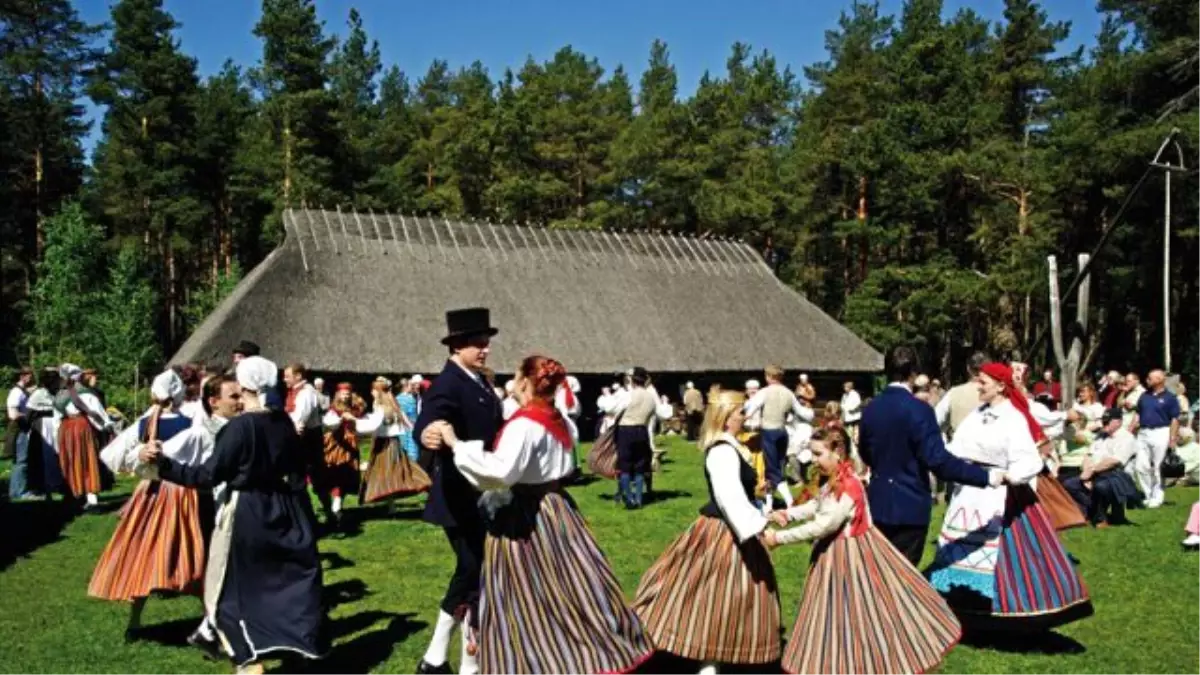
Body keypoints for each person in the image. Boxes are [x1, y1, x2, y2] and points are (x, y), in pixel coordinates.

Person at [431, 355, 652, 673]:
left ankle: (538, 657)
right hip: (557, 509)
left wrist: (455, 444)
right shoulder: (559, 417)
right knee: (570, 585)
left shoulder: (524, 423)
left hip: (528, 514)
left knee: (519, 590)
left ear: (524, 382)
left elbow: (499, 472)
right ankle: (578, 645)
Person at [143, 356, 327, 673]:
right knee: (277, 583)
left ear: (243, 386)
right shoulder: (282, 421)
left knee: (230, 587)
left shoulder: (241, 428)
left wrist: (164, 466)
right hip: (282, 507)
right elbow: (298, 471)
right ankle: (256, 641)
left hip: (247, 510)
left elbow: (208, 475)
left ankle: (246, 659)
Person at [764, 427, 960, 675]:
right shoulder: (835, 478)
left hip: (850, 555)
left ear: (838, 451)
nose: (813, 460)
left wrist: (778, 538)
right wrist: (788, 514)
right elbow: (818, 505)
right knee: (839, 612)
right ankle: (839, 659)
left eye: (817, 454)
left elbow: (825, 524)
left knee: (856, 609)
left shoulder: (848, 484)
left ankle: (861, 661)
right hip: (838, 551)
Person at [927, 362, 1093, 631]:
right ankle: (959, 611)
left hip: (997, 496)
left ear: (1001, 386)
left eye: (983, 382)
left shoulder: (1013, 418)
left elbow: (1029, 459)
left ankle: (1001, 613)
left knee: (997, 557)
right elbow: (958, 447)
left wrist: (1011, 476)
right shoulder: (976, 415)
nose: (978, 386)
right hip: (967, 493)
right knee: (957, 552)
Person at [633, 390, 781, 672]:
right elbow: (729, 498)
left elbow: (741, 494)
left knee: (728, 600)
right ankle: (708, 662)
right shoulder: (722, 451)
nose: (745, 416)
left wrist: (765, 509)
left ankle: (715, 658)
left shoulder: (731, 446)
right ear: (726, 417)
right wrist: (759, 527)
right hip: (724, 534)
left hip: (736, 529)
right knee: (714, 598)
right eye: (740, 412)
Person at [413, 308, 503, 675]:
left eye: (486, 343)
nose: (485, 350)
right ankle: (436, 659)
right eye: (478, 344)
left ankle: (464, 660)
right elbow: (430, 420)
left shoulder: (477, 380)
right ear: (458, 346)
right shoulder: (449, 383)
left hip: (479, 492)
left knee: (477, 574)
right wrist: (427, 434)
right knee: (470, 570)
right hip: (458, 496)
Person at [858, 346, 1001, 566]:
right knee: (903, 578)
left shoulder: (871, 409)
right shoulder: (919, 410)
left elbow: (865, 453)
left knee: (878, 575)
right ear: (914, 374)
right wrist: (986, 477)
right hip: (910, 506)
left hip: (877, 503)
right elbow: (938, 461)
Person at [90, 370, 204, 642]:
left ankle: (135, 622)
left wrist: (137, 458)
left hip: (150, 494)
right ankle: (211, 622)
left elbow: (110, 455)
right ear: (177, 395)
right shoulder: (190, 423)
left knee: (142, 556)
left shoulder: (144, 423)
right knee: (196, 556)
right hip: (182, 494)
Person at [743, 365, 814, 510]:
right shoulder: (789, 393)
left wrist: (742, 418)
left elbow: (750, 409)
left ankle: (790, 502)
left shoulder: (764, 392)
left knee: (773, 470)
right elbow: (804, 413)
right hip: (783, 433)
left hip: (769, 433)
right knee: (774, 470)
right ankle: (769, 505)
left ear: (768, 377)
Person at [1061, 408, 1139, 527]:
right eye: (1104, 421)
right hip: (1096, 473)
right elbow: (1089, 455)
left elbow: (1114, 461)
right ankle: (1090, 511)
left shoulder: (1127, 438)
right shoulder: (1100, 436)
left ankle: (1101, 518)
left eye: (1108, 421)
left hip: (1118, 476)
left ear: (1119, 422)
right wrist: (1086, 474)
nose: (1104, 424)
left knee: (1101, 486)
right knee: (1070, 484)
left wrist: (1091, 472)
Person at [360, 377, 430, 504]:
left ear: (379, 391)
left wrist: (355, 423)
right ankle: (391, 502)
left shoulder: (380, 405)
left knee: (387, 471)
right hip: (393, 441)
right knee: (394, 470)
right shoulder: (392, 404)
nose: (371, 392)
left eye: (374, 390)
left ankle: (420, 484)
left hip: (384, 443)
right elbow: (405, 420)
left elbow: (373, 424)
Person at [54, 363, 113, 510]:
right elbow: (98, 414)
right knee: (87, 460)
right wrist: (107, 426)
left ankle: (74, 495)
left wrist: (58, 435)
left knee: (70, 460)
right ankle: (91, 500)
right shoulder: (86, 394)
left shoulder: (60, 395)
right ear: (78, 376)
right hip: (82, 428)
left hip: (65, 429)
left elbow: (56, 418)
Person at [603, 367, 659, 509]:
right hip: (642, 430)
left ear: (632, 380)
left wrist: (610, 397)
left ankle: (628, 497)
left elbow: (609, 408)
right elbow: (664, 414)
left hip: (626, 430)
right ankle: (639, 499)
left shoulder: (628, 395)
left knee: (625, 465)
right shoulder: (652, 396)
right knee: (640, 466)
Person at [1131, 369, 1181, 508]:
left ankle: (1157, 496)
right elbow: (1138, 414)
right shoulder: (1144, 396)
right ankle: (1147, 494)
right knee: (1140, 466)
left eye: (1150, 378)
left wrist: (1172, 438)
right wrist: (1131, 428)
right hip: (1143, 432)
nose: (1147, 380)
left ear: (1159, 380)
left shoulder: (1170, 398)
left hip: (1161, 432)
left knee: (1159, 466)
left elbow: (1175, 419)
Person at [318, 383, 366, 526]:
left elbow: (362, 417)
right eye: (343, 393)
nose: (345, 396)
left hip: (350, 443)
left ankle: (337, 504)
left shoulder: (356, 408)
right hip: (336, 443)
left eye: (348, 393)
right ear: (337, 395)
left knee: (347, 474)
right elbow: (330, 423)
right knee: (334, 471)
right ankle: (333, 503)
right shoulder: (334, 409)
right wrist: (343, 418)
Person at [6, 367, 34, 499]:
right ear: (22, 376)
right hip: (18, 428)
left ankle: (15, 491)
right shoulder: (16, 392)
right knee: (21, 461)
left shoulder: (22, 391)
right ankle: (21, 492)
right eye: (29, 375)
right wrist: (29, 416)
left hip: (22, 428)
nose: (31, 378)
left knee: (19, 461)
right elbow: (13, 414)